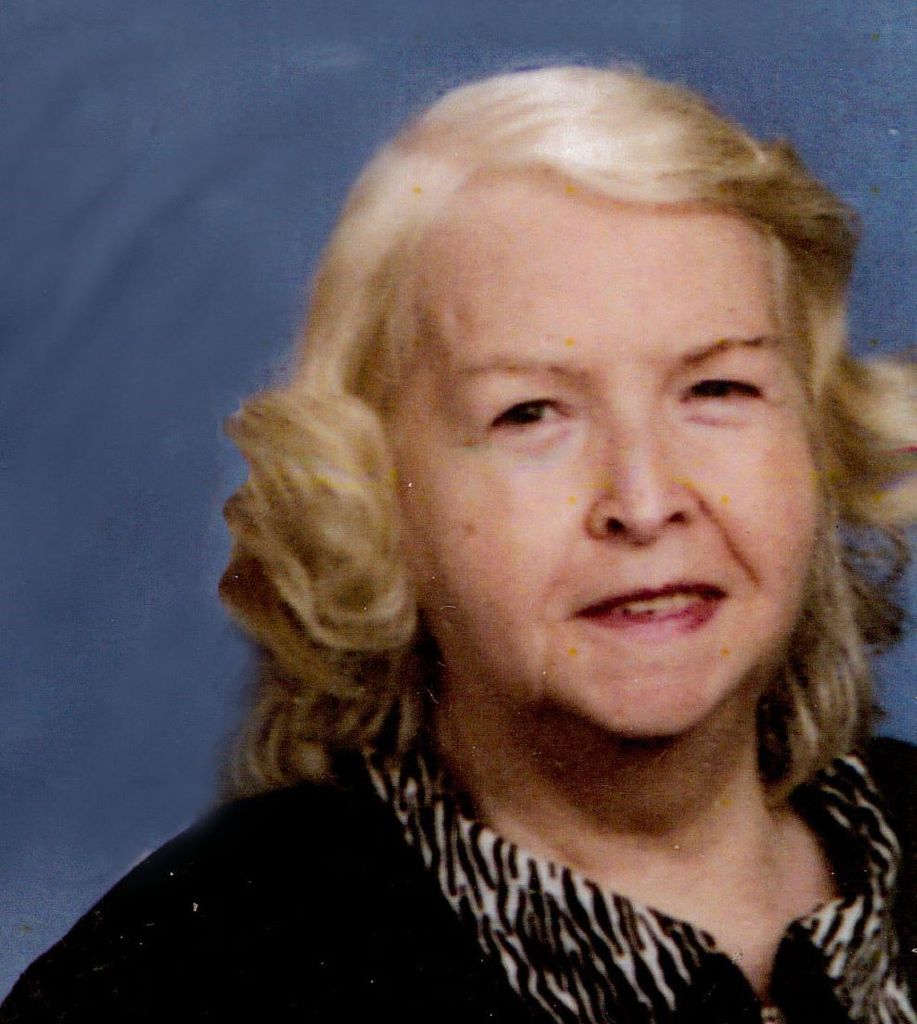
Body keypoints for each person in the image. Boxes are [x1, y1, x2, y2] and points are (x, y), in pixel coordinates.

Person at [2, 65, 914, 1024]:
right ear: (372, 493)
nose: (644, 503)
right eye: (529, 414)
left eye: (716, 390)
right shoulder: (177, 985)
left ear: (819, 434)